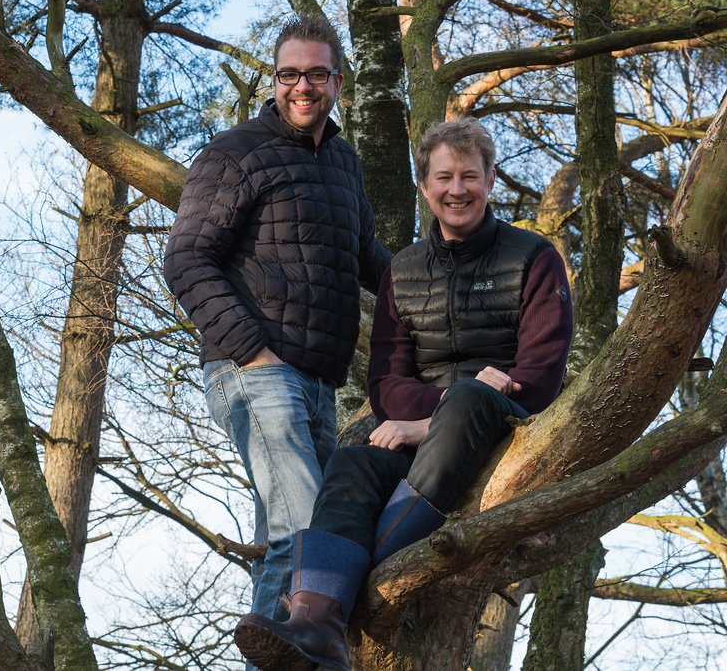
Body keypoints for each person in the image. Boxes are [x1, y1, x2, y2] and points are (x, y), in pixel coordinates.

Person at [233, 118, 574, 671]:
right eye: (444, 177)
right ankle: (315, 627)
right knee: (350, 464)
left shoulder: (533, 258)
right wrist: (434, 416)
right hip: (425, 443)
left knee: (470, 398)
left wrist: (446, 409)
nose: (457, 189)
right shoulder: (405, 269)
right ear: (425, 186)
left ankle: (364, 569)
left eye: (470, 176)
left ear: (491, 180)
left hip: (505, 427)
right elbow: (386, 384)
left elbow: (538, 376)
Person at [163, 15, 391, 648]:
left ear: (337, 82)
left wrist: (433, 290)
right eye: (290, 73)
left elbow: (362, 254)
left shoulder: (344, 163)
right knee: (307, 526)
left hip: (319, 380)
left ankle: (279, 657)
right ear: (275, 78)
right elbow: (185, 259)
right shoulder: (234, 152)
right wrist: (252, 353)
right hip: (255, 369)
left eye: (316, 74)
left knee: (306, 539)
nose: (302, 86)